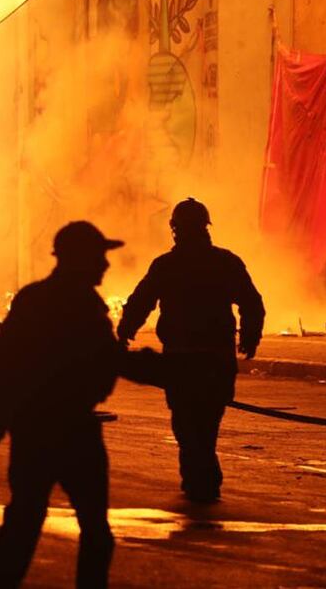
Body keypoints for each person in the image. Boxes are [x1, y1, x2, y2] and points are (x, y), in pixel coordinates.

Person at [0, 221, 121, 589]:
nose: (105, 265)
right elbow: (105, 360)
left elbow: (2, 359)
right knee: (95, 531)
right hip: (72, 430)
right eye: (99, 257)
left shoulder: (32, 297)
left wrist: (2, 414)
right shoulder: (83, 304)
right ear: (80, 258)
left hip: (33, 430)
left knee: (23, 521)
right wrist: (170, 371)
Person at [118, 197, 264, 503]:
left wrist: (126, 329)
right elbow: (252, 303)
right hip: (216, 360)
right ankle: (203, 480)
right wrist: (250, 337)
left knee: (186, 424)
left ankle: (199, 481)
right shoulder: (225, 262)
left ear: (174, 229)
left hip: (181, 359)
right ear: (205, 227)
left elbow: (142, 300)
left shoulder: (167, 266)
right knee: (207, 422)